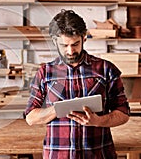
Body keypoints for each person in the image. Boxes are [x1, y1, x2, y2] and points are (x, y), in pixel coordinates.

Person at [25, 9, 130, 159]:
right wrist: (57, 109)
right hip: (57, 155)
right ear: (54, 41)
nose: (70, 51)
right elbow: (30, 117)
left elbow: (123, 113)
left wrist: (98, 121)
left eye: (75, 44)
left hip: (99, 154)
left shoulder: (106, 69)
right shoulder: (45, 73)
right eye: (64, 45)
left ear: (84, 38)